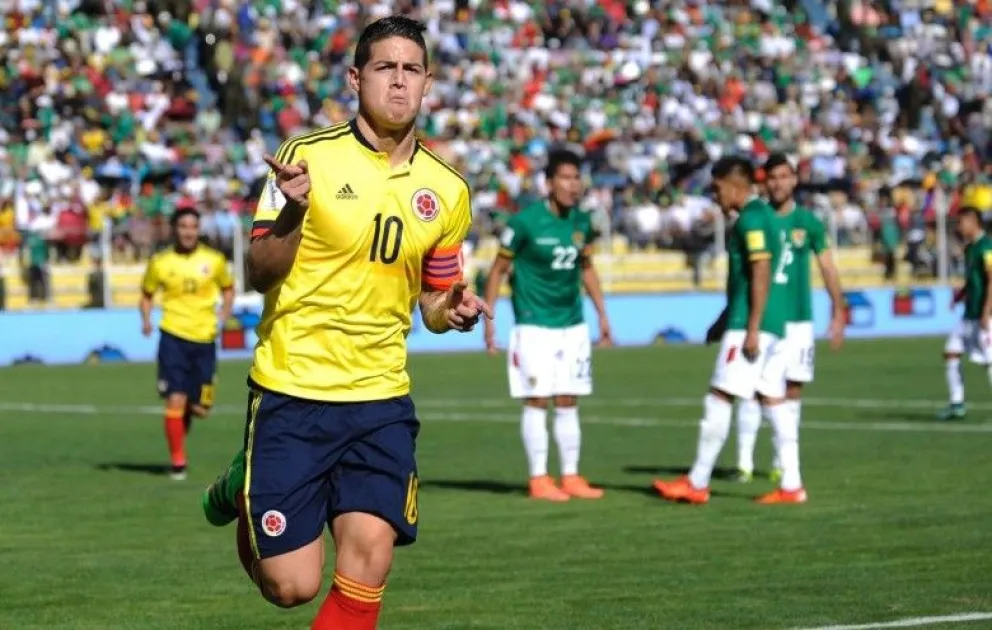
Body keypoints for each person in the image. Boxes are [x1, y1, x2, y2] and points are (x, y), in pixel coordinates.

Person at [200, 16, 490, 630]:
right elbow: (259, 271)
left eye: (411, 70)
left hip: (381, 399)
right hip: (293, 391)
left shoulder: (448, 189)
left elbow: (434, 303)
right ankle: (242, 483)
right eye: (385, 68)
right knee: (291, 586)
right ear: (356, 78)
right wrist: (293, 215)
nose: (399, 82)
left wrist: (452, 310)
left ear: (429, 83)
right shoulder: (304, 158)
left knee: (369, 561)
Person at [653, 156, 806, 505]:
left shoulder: (751, 220)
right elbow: (748, 279)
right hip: (773, 322)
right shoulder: (767, 217)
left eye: (718, 188)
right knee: (774, 401)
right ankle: (792, 485)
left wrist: (749, 327)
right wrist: (723, 320)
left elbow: (761, 270)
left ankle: (697, 482)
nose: (715, 196)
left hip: (753, 326)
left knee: (719, 395)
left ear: (735, 185)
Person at [483, 149, 612, 502]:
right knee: (537, 399)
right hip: (534, 326)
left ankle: (570, 475)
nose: (574, 185)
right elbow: (498, 270)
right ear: (549, 182)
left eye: (577, 178)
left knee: (569, 399)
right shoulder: (524, 223)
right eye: (566, 178)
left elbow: (586, 268)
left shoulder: (582, 222)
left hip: (573, 325)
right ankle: (539, 478)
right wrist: (489, 318)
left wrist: (601, 314)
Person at [735, 154, 845, 482]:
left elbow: (827, 265)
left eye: (784, 176)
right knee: (752, 386)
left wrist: (839, 310)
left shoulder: (808, 222)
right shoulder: (756, 218)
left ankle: (781, 460)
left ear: (794, 180)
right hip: (766, 316)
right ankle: (743, 460)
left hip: (799, 319)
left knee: (793, 388)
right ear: (763, 182)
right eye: (772, 177)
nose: (778, 183)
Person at [139, 208, 234, 480]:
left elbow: (228, 289)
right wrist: (146, 320)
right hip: (173, 337)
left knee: (201, 408)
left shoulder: (214, 260)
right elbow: (146, 295)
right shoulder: (160, 262)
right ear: (174, 229)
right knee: (175, 399)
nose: (188, 231)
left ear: (198, 229)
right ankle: (178, 461)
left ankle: (182, 427)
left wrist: (224, 314)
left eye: (193, 226)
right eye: (182, 226)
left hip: (204, 339)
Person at [938, 206, 992, 420]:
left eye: (961, 222)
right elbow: (973, 281)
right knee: (951, 352)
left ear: (972, 221)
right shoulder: (971, 248)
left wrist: (987, 310)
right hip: (969, 313)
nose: (959, 227)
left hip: (984, 313)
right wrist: (958, 296)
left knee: (990, 360)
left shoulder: (987, 247)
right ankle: (956, 403)